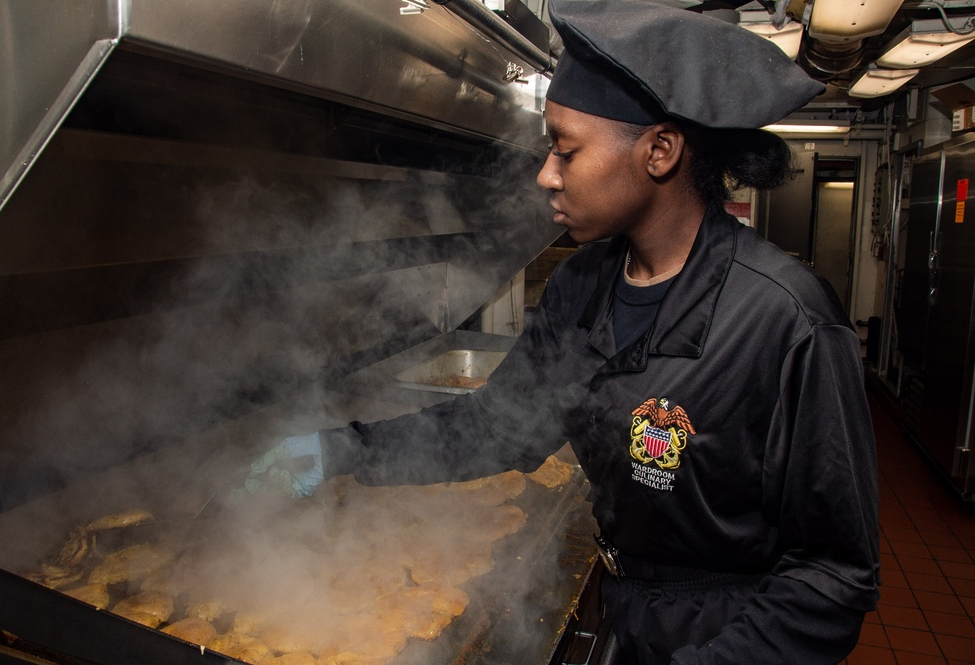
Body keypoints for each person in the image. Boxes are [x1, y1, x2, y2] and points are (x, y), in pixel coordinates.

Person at [241, 2, 881, 663]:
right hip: (629, 616)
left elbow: (834, 578)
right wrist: (343, 449)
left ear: (659, 151)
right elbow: (496, 426)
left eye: (565, 149)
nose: (547, 173)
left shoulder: (787, 320)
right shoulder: (580, 289)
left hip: (727, 638)